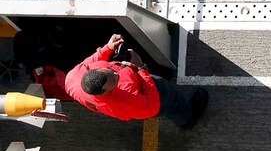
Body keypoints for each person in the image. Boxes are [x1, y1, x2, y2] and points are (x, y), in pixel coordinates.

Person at [63, 33, 208, 128]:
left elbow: (89, 61)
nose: (116, 74)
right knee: (172, 102)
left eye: (111, 71)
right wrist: (141, 68)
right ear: (103, 93)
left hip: (138, 82)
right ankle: (187, 119)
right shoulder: (125, 100)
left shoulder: (72, 78)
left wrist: (107, 48)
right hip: (151, 94)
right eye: (114, 81)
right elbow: (152, 104)